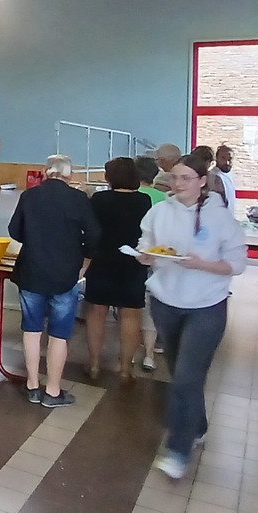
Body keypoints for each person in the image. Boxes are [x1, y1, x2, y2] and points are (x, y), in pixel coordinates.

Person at [137, 153, 246, 479]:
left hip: (206, 306)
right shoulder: (159, 212)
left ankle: (178, 450)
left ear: (201, 181)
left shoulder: (220, 218)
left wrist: (203, 264)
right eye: (175, 177)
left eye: (186, 178)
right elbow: (146, 244)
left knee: (186, 377)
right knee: (180, 372)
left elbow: (237, 264)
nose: (178, 183)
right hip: (166, 302)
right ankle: (197, 425)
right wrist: (145, 255)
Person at [8, 155, 100, 407]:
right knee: (59, 334)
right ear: (69, 175)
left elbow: (14, 230)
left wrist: (35, 239)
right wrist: (83, 260)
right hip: (65, 274)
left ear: (45, 172)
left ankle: (32, 386)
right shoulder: (78, 198)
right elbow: (95, 234)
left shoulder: (29, 196)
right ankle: (53, 391)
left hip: (31, 271)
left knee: (31, 330)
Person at [83, 158, 152, 380]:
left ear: (109, 177)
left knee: (96, 312)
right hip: (132, 262)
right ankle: (125, 369)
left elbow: (90, 230)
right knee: (130, 314)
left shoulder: (99, 199)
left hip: (102, 260)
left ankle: (94, 365)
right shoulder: (144, 201)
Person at [133, 156, 166, 370]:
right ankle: (149, 355)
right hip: (155, 257)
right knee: (149, 305)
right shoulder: (164, 199)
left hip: (132, 256)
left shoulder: (131, 195)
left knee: (129, 308)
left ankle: (128, 351)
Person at [214, 145, 238, 211]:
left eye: (230, 159)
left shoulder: (229, 175)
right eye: (223, 158)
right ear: (216, 158)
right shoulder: (214, 176)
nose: (227, 162)